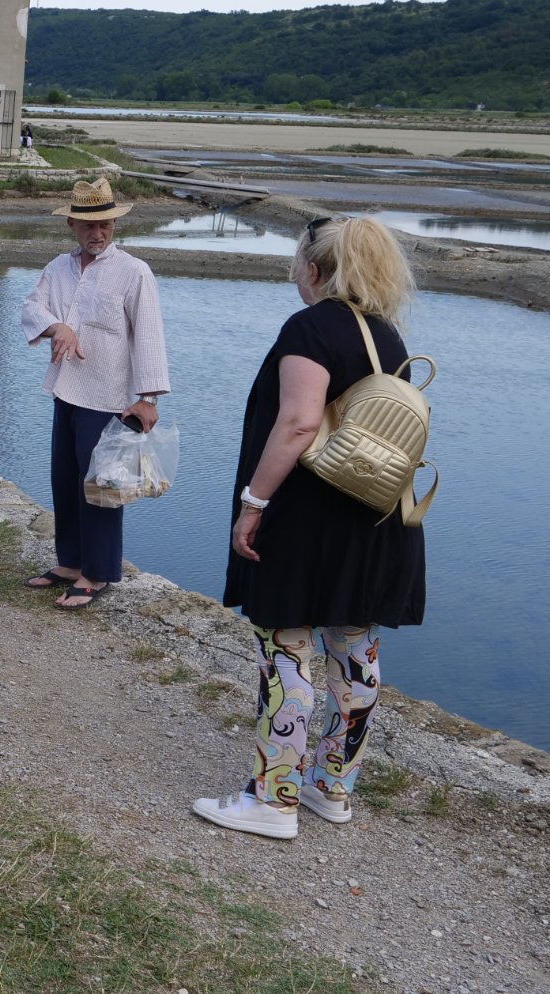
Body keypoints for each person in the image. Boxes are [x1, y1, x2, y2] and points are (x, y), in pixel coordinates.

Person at [192, 215, 427, 840]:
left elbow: (297, 424)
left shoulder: (310, 327)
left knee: (287, 642)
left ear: (315, 269)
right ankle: (332, 787)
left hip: (306, 516)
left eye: (300, 262)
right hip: (374, 514)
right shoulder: (387, 335)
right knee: (354, 648)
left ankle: (274, 797)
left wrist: (253, 503)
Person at [18, 177, 170, 609]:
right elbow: (31, 306)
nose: (97, 233)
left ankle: (98, 572)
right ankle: (70, 560)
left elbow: (150, 336)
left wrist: (148, 398)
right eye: (88, 225)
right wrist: (57, 326)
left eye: (105, 224)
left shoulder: (133, 271)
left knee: (102, 485)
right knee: (65, 479)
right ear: (71, 224)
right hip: (67, 390)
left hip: (111, 399)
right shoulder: (58, 267)